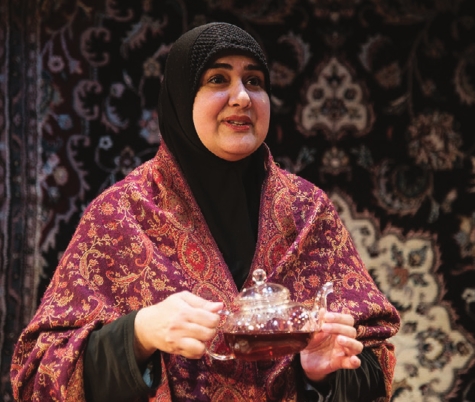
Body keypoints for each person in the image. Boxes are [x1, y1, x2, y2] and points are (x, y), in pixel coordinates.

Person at [10, 22, 400, 401]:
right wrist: (140, 333)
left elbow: (374, 365)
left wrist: (322, 372)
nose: (242, 97)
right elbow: (37, 379)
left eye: (254, 81)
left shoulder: (308, 211)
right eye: (217, 79)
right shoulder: (120, 215)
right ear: (182, 97)